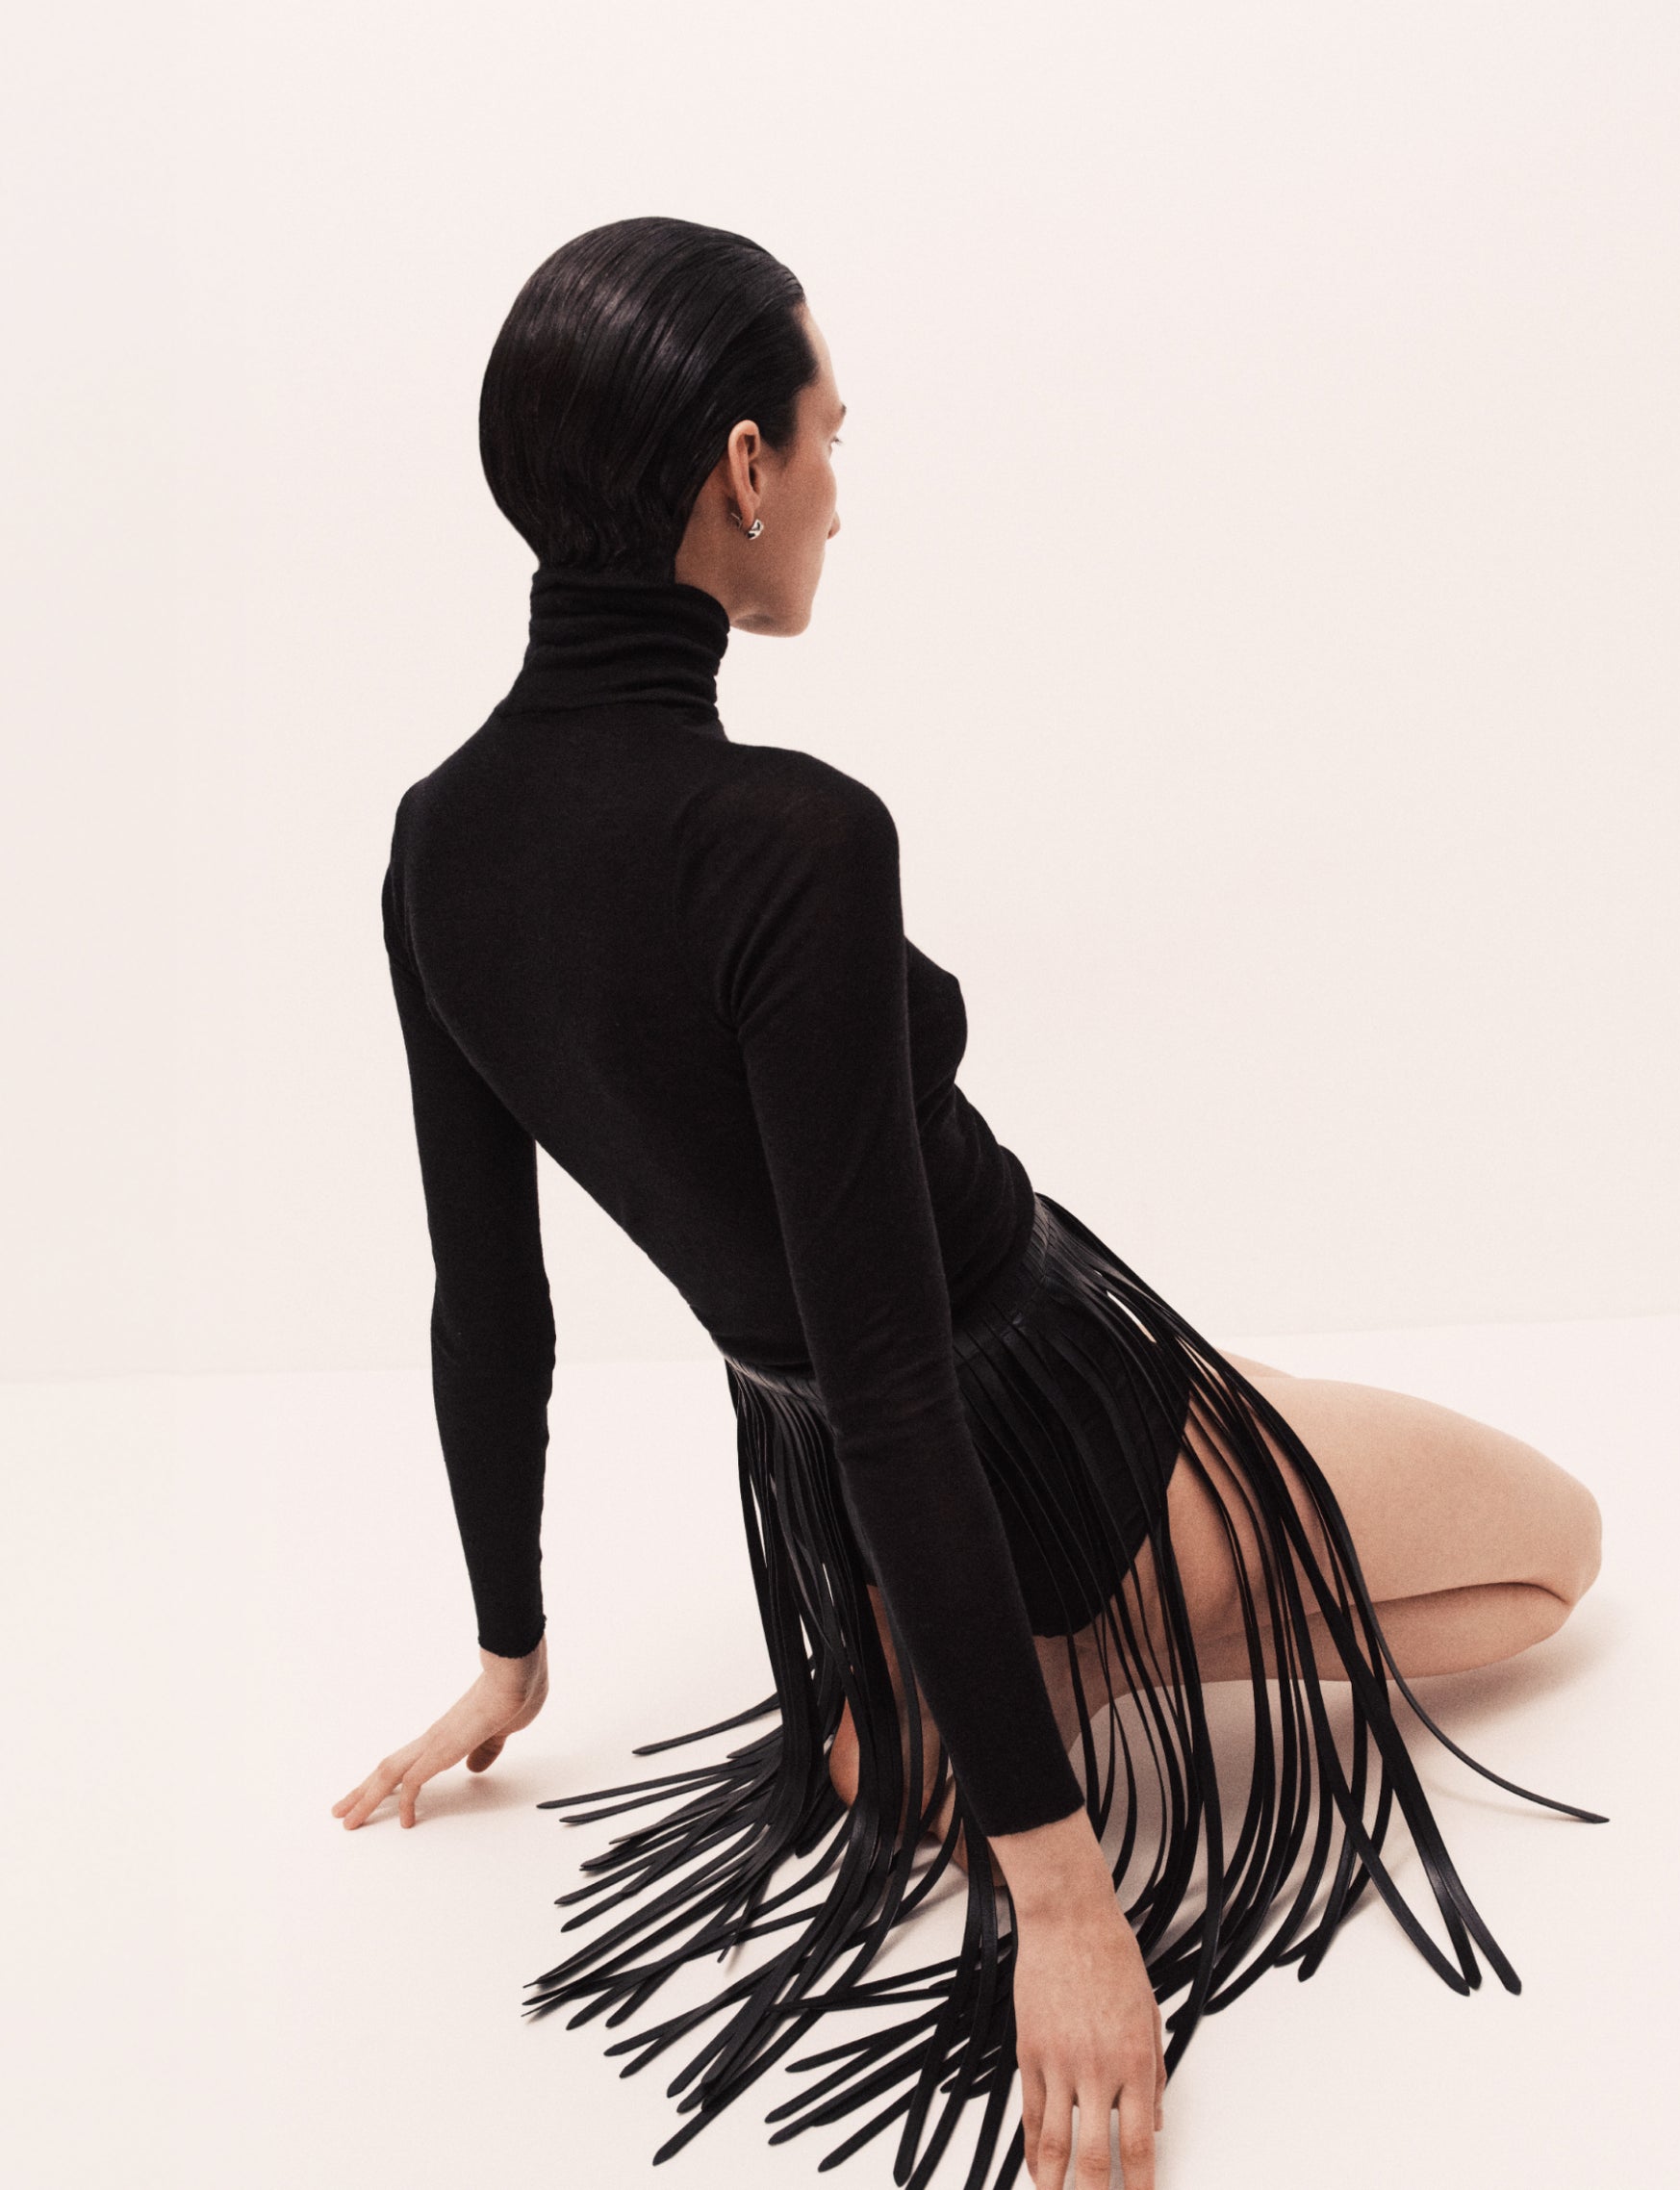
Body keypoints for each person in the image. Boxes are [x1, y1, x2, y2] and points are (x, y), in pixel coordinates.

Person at [331, 216, 1605, 2190]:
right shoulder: (791, 843)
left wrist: (512, 1651)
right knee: (1550, 1559)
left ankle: (965, 1661)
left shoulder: (435, 846)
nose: (841, 494)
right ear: (742, 467)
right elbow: (897, 1364)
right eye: (828, 438)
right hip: (1047, 1427)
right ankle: (1050, 1655)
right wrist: (1063, 1889)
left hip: (839, 1499)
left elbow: (484, 1300)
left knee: (1324, 1479)